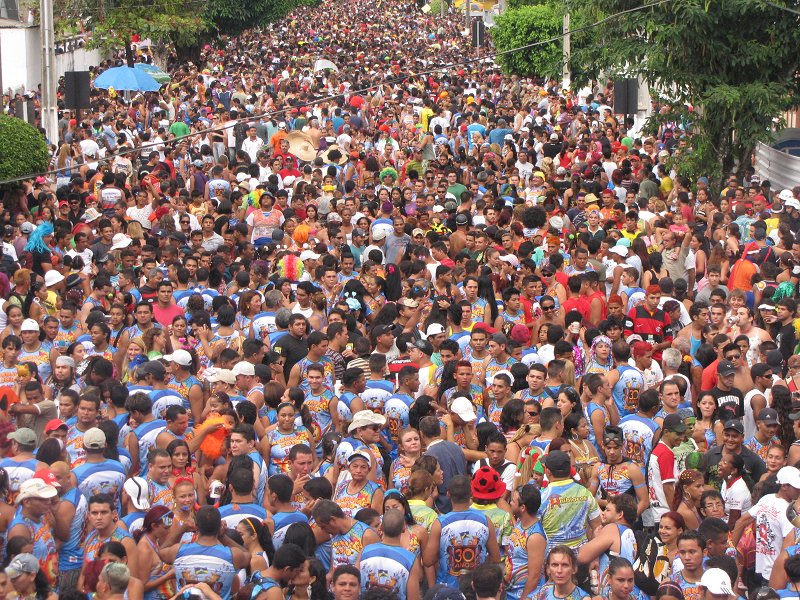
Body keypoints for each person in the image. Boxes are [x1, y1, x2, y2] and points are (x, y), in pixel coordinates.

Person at [160, 506, 250, 600]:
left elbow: (162, 551)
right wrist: (222, 536)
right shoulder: (233, 555)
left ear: (196, 526)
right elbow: (248, 555)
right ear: (219, 526)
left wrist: (181, 530)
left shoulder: (178, 551)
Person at [733, 466, 800, 585]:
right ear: (784, 486)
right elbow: (787, 550)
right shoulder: (788, 512)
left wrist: (733, 553)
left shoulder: (766, 499)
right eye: (797, 487)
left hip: (758, 569)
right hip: (777, 575)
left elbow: (740, 523)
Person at [538, 450, 601, 550]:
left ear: (548, 472)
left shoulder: (541, 497)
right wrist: (593, 556)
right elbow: (598, 527)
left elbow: (532, 532)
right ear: (570, 470)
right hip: (581, 557)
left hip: (553, 560)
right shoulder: (585, 493)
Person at [355, 508, 420, 598]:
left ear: (381, 527)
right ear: (404, 528)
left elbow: (354, 584)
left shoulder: (364, 552)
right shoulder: (411, 560)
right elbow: (413, 597)